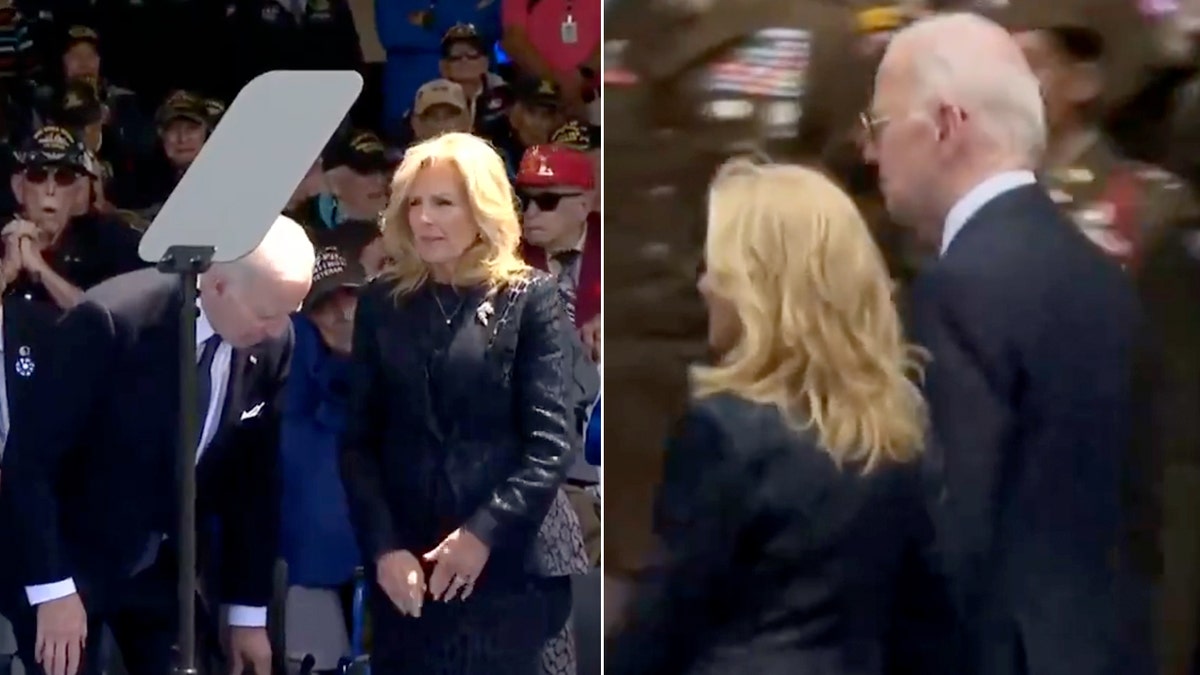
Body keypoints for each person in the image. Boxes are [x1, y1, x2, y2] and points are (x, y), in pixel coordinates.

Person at [866, 13, 1148, 675]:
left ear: (946, 124)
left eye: (881, 127)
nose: (870, 152)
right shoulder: (1100, 274)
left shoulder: (960, 288)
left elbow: (949, 536)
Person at [602, 0, 891, 624]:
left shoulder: (816, 34)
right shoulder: (612, 24)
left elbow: (872, 208)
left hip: (768, 390)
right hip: (627, 399)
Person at [605, 158, 954, 675]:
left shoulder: (724, 431)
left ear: (761, 287)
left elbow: (669, 615)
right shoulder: (904, 422)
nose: (703, 284)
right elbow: (928, 617)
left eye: (718, 267)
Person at [0, 215, 316, 675]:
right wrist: (53, 590)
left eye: (289, 313)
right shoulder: (111, 321)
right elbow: (29, 464)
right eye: (267, 314)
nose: (276, 329)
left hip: (166, 565)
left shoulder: (272, 343)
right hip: (68, 554)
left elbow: (254, 484)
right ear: (218, 284)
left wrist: (248, 614)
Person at [340, 132, 584, 675]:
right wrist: (384, 549)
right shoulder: (382, 303)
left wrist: (481, 535)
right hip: (410, 573)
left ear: (482, 210)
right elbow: (359, 442)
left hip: (515, 569)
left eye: (443, 203)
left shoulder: (532, 297)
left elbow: (550, 444)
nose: (424, 218)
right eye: (415, 203)